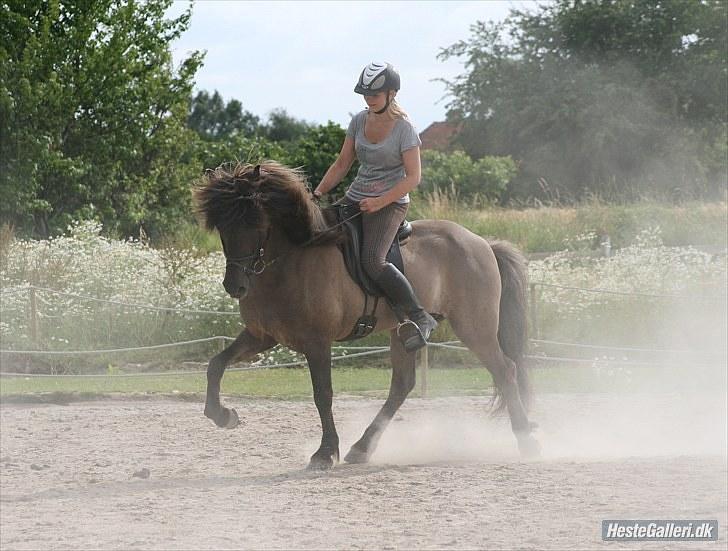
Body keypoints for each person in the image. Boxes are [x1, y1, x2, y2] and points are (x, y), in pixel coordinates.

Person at [313, 61, 437, 352]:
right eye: (366, 94)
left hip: (390, 204)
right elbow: (343, 163)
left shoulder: (405, 129)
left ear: (391, 93)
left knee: (373, 260)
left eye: (376, 94)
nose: (369, 99)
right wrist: (318, 192)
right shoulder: (358, 121)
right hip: (356, 197)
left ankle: (420, 316)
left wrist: (380, 201)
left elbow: (414, 177)